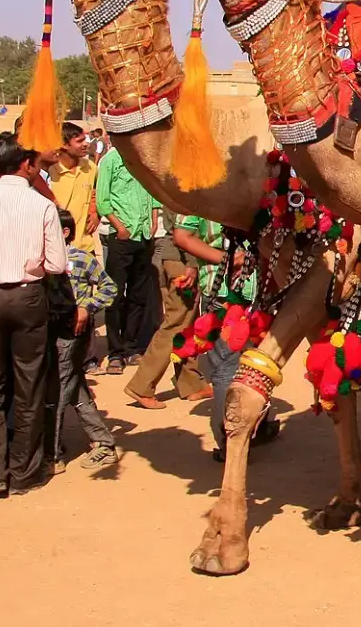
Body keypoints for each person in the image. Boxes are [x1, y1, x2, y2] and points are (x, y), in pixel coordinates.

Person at [0, 140, 68, 497]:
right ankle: (23, 472)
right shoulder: (42, 205)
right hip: (28, 297)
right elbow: (56, 264)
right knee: (29, 382)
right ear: (24, 165)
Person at [175, 212, 273, 460]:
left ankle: (251, 431)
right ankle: (231, 442)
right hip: (227, 292)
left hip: (257, 290)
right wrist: (230, 260)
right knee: (230, 368)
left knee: (255, 364)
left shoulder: (258, 184)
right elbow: (182, 236)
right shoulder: (199, 189)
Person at [123, 206, 211, 408]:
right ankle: (141, 385)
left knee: (188, 325)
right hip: (182, 260)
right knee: (175, 324)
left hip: (174, 258)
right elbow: (185, 225)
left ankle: (191, 384)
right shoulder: (187, 187)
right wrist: (191, 263)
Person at [52, 208, 119, 471]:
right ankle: (103, 442)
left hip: (72, 334)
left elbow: (110, 288)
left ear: (65, 232)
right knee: (75, 388)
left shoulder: (80, 258)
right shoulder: (43, 260)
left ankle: (53, 453)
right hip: (51, 333)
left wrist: (86, 306)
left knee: (59, 390)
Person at [94, 138, 159, 375]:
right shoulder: (110, 160)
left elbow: (152, 191)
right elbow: (103, 200)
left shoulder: (141, 160)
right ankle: (115, 352)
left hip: (143, 235)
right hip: (121, 236)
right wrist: (119, 227)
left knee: (139, 294)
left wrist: (153, 219)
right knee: (114, 294)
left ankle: (132, 347)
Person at [47, 122, 99, 256]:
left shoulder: (90, 167)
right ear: (64, 145)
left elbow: (97, 193)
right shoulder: (50, 171)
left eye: (85, 139)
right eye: (79, 141)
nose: (86, 144)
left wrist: (96, 214)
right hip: (56, 248)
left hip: (85, 248)